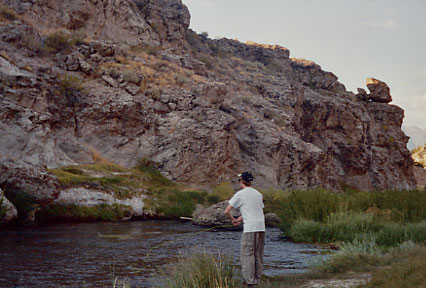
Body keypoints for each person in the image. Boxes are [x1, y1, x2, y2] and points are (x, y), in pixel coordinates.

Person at [224, 171, 265, 286]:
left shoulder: (240, 194)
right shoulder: (258, 194)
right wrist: (239, 219)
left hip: (250, 229)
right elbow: (255, 211)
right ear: (250, 182)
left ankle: (249, 282)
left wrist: (233, 219)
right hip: (261, 227)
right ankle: (257, 279)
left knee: (247, 254)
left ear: (241, 181)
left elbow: (226, 211)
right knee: (258, 254)